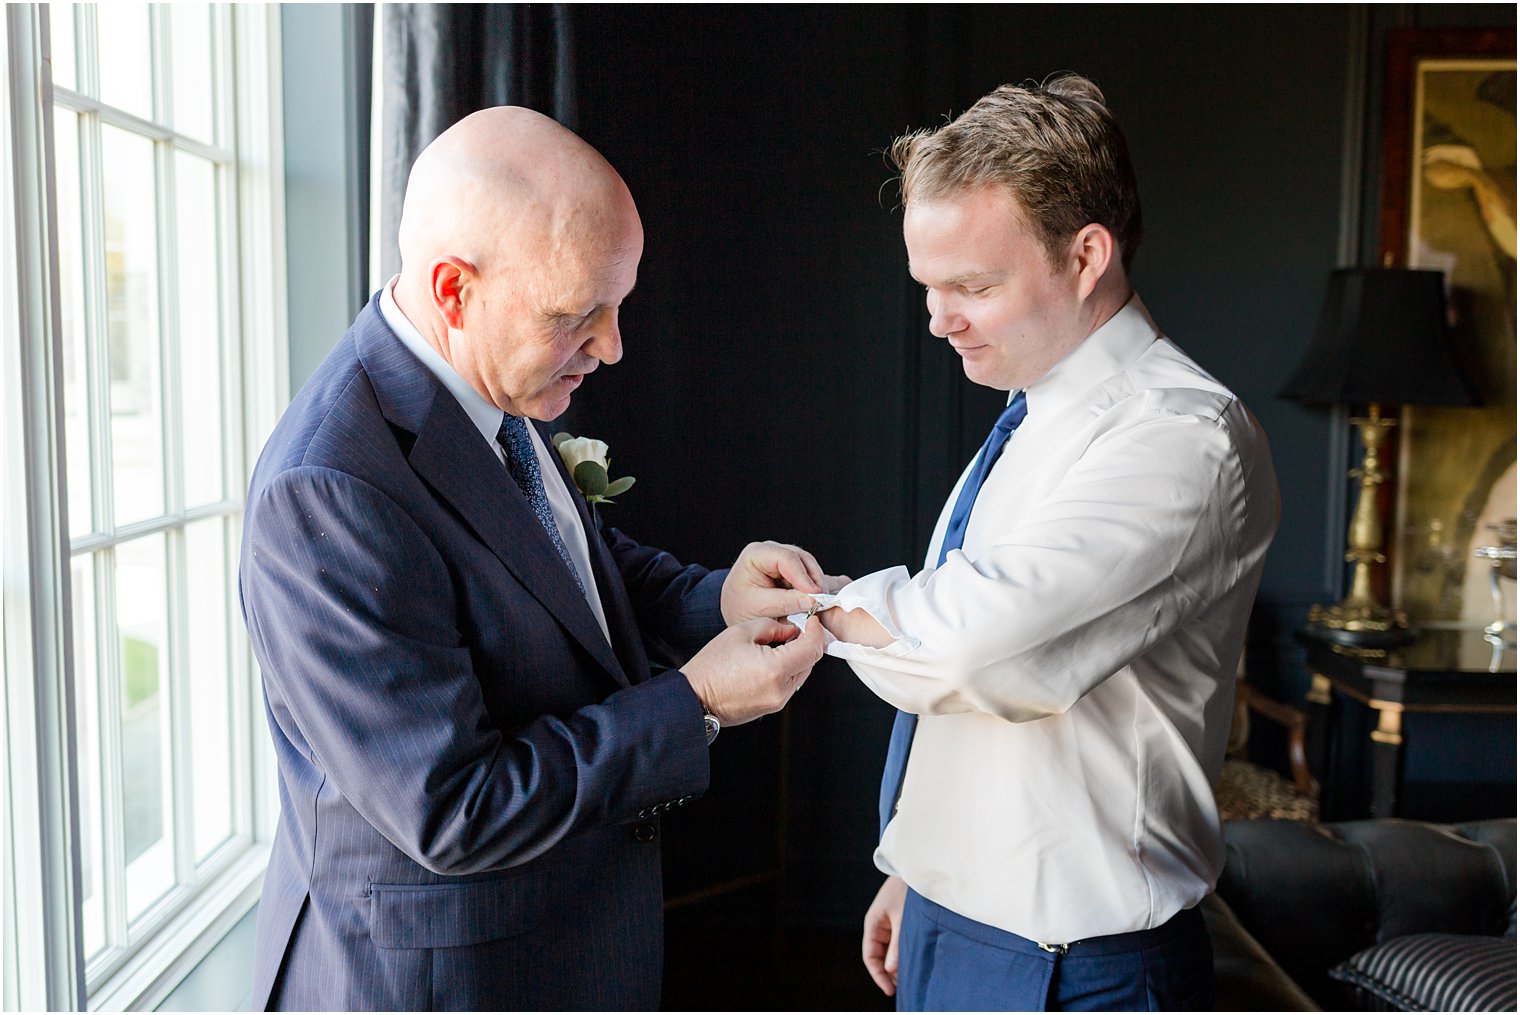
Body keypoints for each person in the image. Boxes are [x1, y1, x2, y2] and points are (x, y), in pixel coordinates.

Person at [240, 106, 838, 1011]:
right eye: (577, 316)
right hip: (443, 983)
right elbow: (456, 806)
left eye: (619, 304)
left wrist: (718, 601)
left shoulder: (485, 377)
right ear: (453, 291)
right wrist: (697, 701)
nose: (611, 346)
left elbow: (562, 568)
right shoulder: (327, 491)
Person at [818, 75, 1279, 1011]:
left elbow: (972, 648)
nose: (939, 319)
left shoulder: (1180, 437)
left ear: (1086, 256)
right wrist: (917, 863)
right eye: (928, 287)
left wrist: (818, 609)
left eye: (972, 286)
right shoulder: (1033, 413)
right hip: (954, 920)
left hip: (1079, 968)